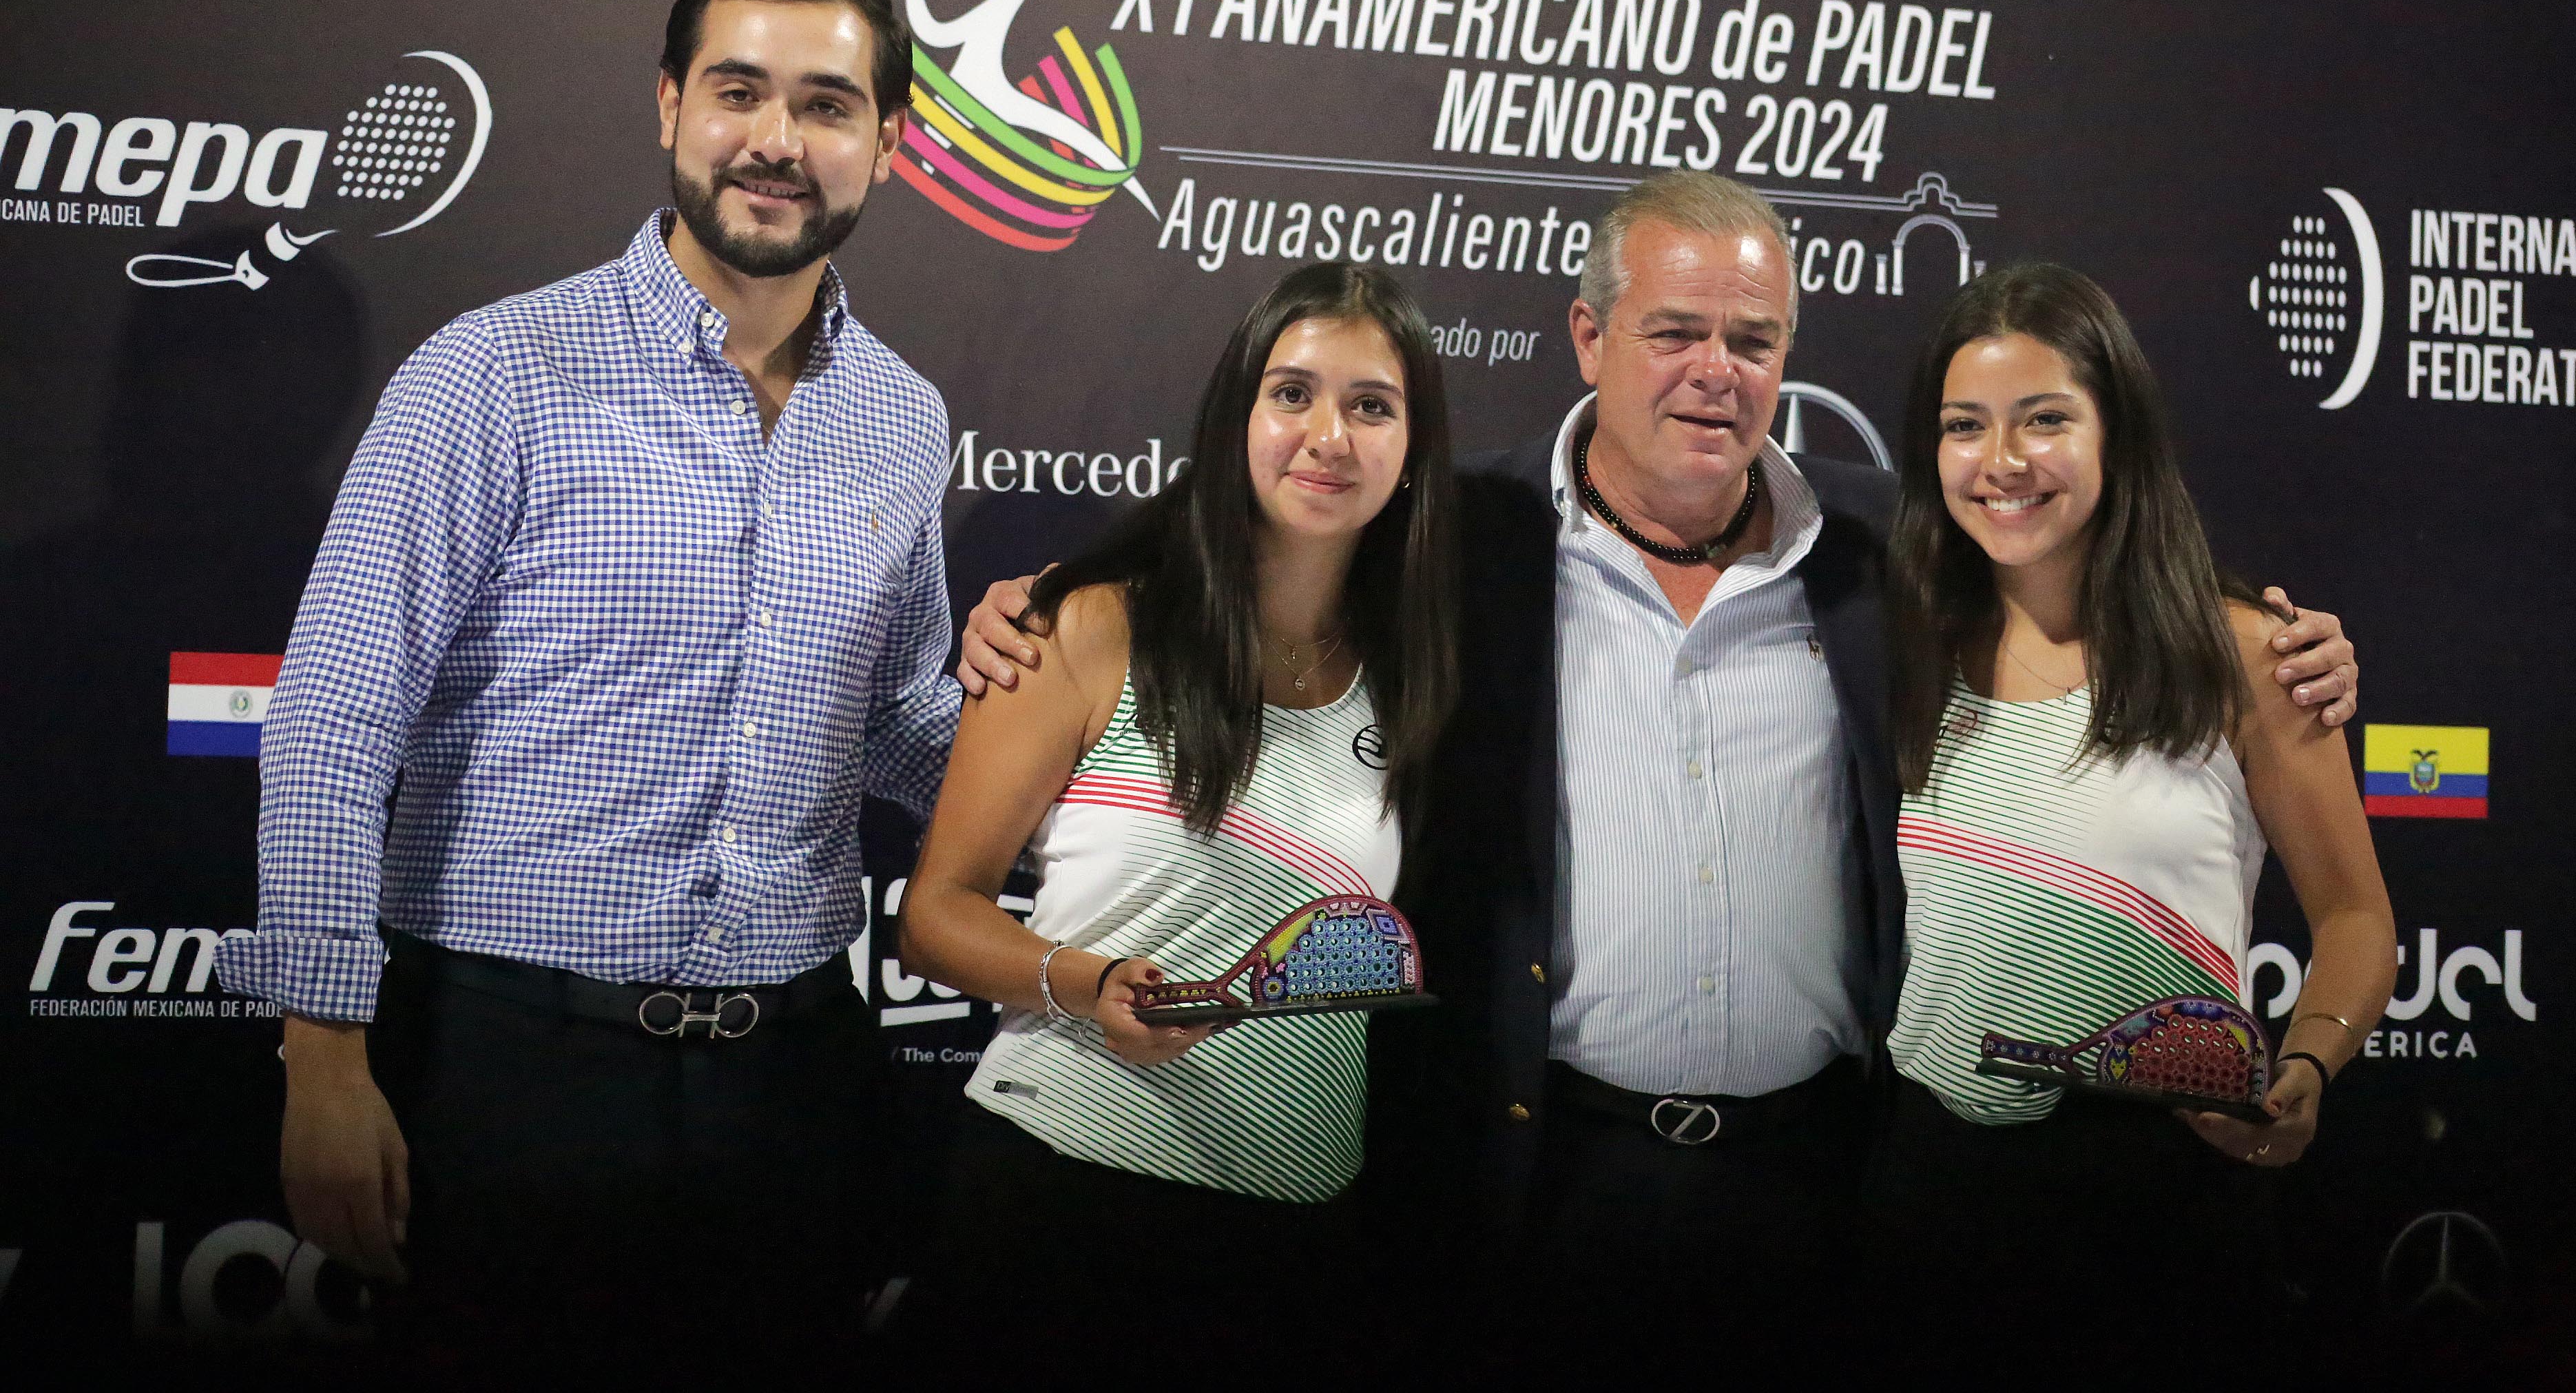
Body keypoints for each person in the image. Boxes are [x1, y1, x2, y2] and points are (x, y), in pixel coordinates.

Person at [959, 172, 2361, 1372]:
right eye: (1676, 330)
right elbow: (1257, 538)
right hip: (1539, 1185)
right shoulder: (1462, 535)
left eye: (1753, 339)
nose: (1716, 370)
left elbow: (2092, 576)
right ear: (1589, 337)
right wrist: (1047, 603)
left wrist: (2279, 641)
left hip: (1823, 1194)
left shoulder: (1886, 554)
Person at [215, 0, 959, 1373]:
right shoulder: (495, 372)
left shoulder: (903, 415)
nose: (777, 139)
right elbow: (335, 718)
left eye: (827, 103)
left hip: (796, 1082)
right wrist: (324, 1054)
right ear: (671, 102)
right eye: (738, 89)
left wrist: (1110, 771)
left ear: (889, 141)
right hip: (506, 1070)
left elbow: (893, 718)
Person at [900, 262, 1456, 1363]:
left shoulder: (1415, 683)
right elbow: (934, 916)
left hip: (1297, 1234)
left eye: (1371, 406)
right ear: (1237, 414)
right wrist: (1089, 984)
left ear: (1412, 452)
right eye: (1292, 393)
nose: (1328, 437)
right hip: (1061, 1198)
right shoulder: (1092, 626)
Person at [1865, 262, 2395, 1351]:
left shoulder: (2247, 655)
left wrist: (2304, 1070)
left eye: (2045, 419)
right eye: (1965, 426)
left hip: (2160, 1200)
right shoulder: (1916, 641)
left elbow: (2356, 918)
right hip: (1931, 1189)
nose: (2002, 460)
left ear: (2119, 433)